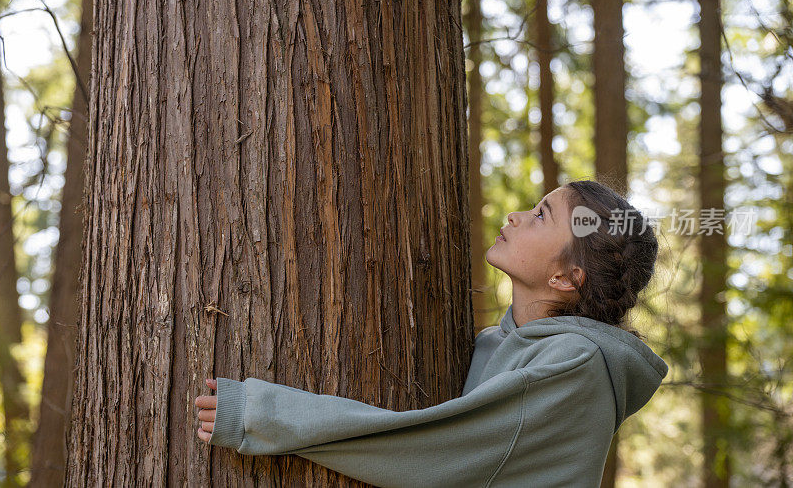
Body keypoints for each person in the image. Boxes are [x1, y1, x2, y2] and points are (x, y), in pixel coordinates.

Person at [194, 179, 669, 487]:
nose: (515, 217)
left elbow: (428, 453)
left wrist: (259, 414)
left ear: (566, 278)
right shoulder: (502, 342)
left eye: (542, 215)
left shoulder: (573, 365)